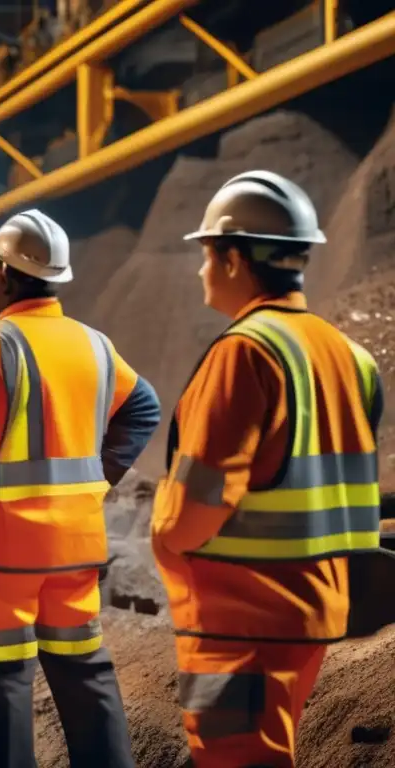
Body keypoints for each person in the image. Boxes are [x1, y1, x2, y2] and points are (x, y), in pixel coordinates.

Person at [151, 171, 384, 767]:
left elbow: (202, 492)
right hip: (313, 609)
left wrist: (163, 539)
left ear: (233, 259)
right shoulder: (348, 356)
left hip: (238, 620)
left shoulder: (245, 353)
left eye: (207, 254)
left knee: (234, 758)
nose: (203, 269)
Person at [0, 209, 160, 768]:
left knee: (2, 681)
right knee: (85, 673)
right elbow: (143, 407)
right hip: (74, 548)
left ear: (2, 273)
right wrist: (98, 478)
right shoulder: (94, 344)